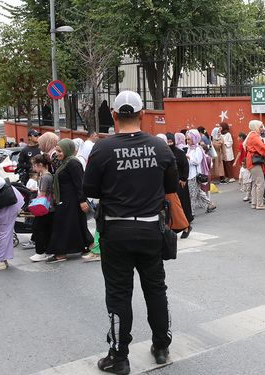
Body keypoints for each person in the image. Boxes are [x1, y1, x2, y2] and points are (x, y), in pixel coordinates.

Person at [83, 90, 177, 373]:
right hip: (151, 229)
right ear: (143, 114)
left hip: (116, 230)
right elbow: (171, 186)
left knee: (118, 294)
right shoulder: (161, 148)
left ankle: (119, 356)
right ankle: (161, 345)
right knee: (156, 289)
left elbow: (90, 190)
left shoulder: (102, 149)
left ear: (113, 115)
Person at [47, 139, 94, 263]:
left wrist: (82, 200)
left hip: (72, 200)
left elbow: (80, 183)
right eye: (56, 150)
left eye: (60, 150)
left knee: (63, 225)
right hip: (66, 199)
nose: (57, 153)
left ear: (67, 149)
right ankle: (88, 245)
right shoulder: (64, 162)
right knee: (76, 224)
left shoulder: (73, 163)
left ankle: (61, 252)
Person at [166, 133, 193, 238]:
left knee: (180, 205)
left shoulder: (179, 153)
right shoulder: (165, 153)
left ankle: (186, 224)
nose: (169, 144)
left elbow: (185, 166)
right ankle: (176, 227)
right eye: (167, 142)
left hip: (180, 183)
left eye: (171, 142)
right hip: (169, 184)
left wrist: (183, 178)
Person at [28, 154, 54, 262]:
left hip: (44, 208)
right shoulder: (47, 175)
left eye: (34, 165)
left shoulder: (45, 177)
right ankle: (47, 251)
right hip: (49, 208)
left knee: (38, 229)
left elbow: (42, 194)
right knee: (46, 230)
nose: (33, 168)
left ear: (40, 165)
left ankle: (40, 252)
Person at [245, 120, 265, 210]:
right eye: (261, 126)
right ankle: (259, 204)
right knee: (260, 182)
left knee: (255, 183)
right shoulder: (254, 136)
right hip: (255, 161)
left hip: (251, 160)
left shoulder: (251, 135)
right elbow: (262, 148)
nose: (262, 128)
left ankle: (255, 203)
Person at [187, 129, 217, 214]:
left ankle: (191, 212)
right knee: (198, 192)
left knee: (192, 194)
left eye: (189, 139)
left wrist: (188, 158)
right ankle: (209, 204)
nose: (187, 141)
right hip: (190, 174)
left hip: (195, 175)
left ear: (194, 139)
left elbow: (197, 161)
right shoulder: (190, 148)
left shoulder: (198, 149)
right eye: (187, 139)